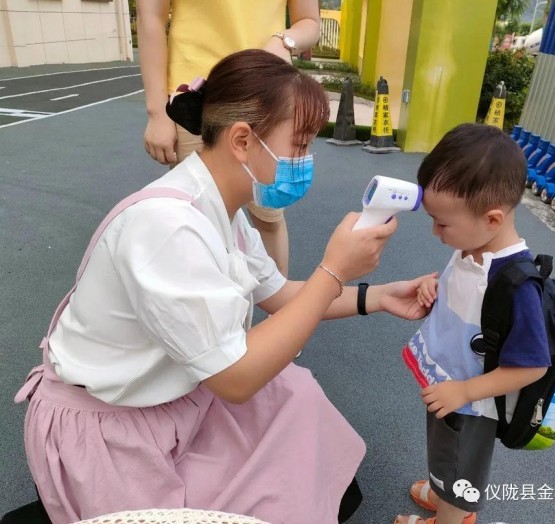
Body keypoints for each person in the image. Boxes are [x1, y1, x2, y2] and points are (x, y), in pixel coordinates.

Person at [15, 50, 432, 524]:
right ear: (241, 140)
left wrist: (377, 296)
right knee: (273, 426)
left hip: (168, 402)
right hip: (110, 429)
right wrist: (334, 270)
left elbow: (277, 295)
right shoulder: (169, 228)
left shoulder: (222, 208)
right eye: (299, 145)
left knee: (293, 398)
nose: (306, 161)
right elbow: (235, 378)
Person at [395, 124, 552, 524]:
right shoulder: (474, 244)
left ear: (492, 218)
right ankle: (445, 491)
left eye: (442, 223)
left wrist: (464, 391)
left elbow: (533, 364)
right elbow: (462, 292)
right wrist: (434, 287)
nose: (435, 231)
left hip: (472, 403)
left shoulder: (516, 285)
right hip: (450, 386)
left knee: (462, 469)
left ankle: (453, 513)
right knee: (447, 457)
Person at [137, 0, 321, 277]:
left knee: (269, 216)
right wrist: (157, 112)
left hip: (265, 96)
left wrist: (283, 41)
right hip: (199, 94)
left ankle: (282, 311)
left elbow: (310, 22)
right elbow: (150, 15)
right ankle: (206, 311)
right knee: (199, 219)